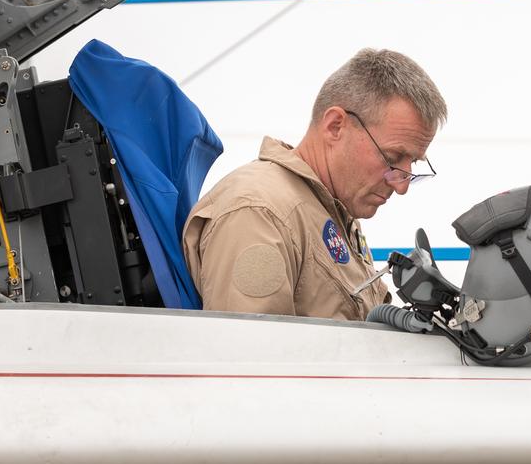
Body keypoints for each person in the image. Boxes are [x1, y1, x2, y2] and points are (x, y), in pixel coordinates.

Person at [182, 48, 447, 320]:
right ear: (335, 126)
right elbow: (249, 355)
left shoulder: (329, 211)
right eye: (392, 158)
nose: (401, 186)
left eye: (412, 164)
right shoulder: (257, 212)